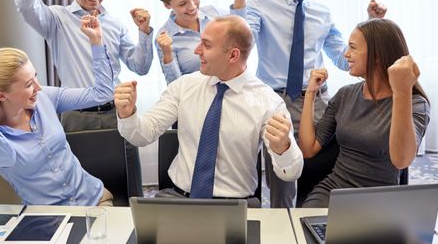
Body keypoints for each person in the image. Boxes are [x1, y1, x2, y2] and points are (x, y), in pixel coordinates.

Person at [232, 0, 387, 208]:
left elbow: (342, 58)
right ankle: (284, 227)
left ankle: (315, 225)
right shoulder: (262, 3)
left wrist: (373, 23)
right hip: (275, 101)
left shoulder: (322, 13)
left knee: (324, 169)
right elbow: (240, 42)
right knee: (282, 180)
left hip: (315, 101)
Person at [15, 0, 150, 193]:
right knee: (83, 193)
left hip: (118, 114)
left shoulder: (114, 23)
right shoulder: (57, 19)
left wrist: (145, 34)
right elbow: (25, 3)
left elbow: (140, 66)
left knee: (128, 190)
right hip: (76, 117)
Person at [115, 15, 303, 207]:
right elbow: (142, 135)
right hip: (179, 201)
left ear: (233, 55)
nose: (197, 51)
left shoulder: (268, 103)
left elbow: (291, 172)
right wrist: (128, 114)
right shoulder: (184, 86)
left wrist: (284, 148)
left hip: (235, 206)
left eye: (206, 45)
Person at [0, 15, 115, 206]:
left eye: (35, 77)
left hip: (94, 200)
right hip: (51, 222)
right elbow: (4, 156)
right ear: (1, 96)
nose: (39, 87)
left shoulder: (45, 97)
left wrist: (96, 42)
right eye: (29, 84)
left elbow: (102, 94)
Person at [298, 18, 429, 207]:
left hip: (379, 200)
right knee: (307, 230)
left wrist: (402, 91)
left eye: (352, 47)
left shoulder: (415, 103)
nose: (346, 54)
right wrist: (310, 93)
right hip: (333, 191)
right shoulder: (346, 95)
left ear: (377, 55)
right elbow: (308, 149)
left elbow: (401, 160)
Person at [156, 0, 263, 84]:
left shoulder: (214, 13)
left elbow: (244, 38)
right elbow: (175, 87)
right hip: (199, 99)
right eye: (183, 4)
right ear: (167, 5)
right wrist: (167, 54)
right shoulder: (165, 38)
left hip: (235, 91)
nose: (192, 7)